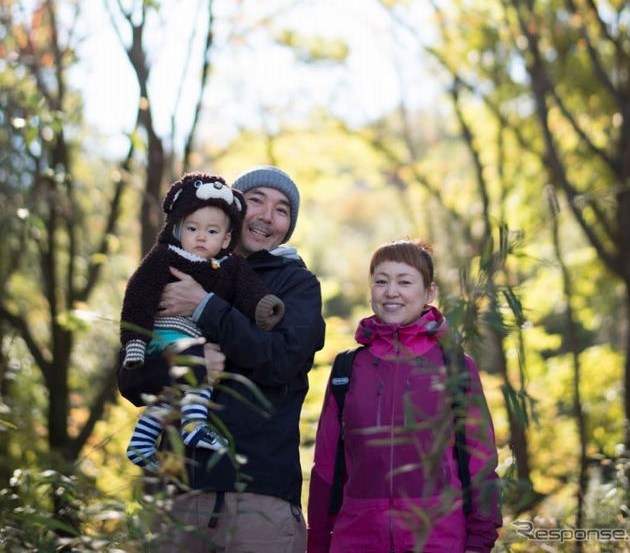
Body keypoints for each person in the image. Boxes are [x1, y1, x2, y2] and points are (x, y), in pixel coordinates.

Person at [117, 165, 325, 553]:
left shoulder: (296, 284)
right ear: (230, 211)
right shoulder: (172, 270)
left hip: (258, 495)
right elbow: (131, 380)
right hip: (179, 492)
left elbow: (282, 360)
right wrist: (184, 364)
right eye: (256, 201)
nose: (266, 215)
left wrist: (205, 307)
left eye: (282, 210)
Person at [307, 239, 502, 553]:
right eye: (381, 281)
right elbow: (326, 466)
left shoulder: (454, 367)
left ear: (429, 293)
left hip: (437, 538)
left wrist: (480, 542)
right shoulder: (348, 368)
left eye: (405, 281)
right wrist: (317, 542)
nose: (391, 291)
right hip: (356, 539)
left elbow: (480, 464)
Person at [120, 172, 284, 470]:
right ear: (178, 227)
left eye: (211, 232)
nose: (200, 237)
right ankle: (193, 425)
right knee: (193, 372)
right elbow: (138, 297)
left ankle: (143, 443)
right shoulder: (163, 258)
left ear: (226, 236)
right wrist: (135, 342)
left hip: (257, 468)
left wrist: (262, 307)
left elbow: (276, 349)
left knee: (177, 388)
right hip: (165, 337)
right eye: (193, 228)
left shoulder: (248, 270)